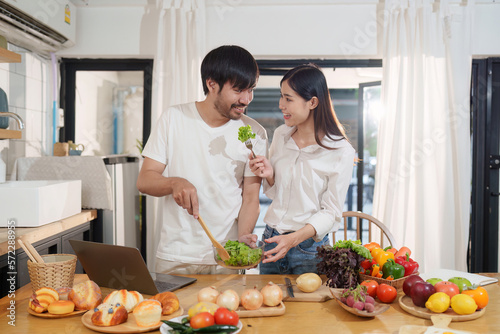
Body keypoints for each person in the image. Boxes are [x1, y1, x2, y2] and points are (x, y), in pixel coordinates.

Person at [137, 45, 267, 275]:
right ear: (211, 84)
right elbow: (145, 180)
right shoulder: (174, 118)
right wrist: (174, 182)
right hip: (176, 256)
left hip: (226, 258)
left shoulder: (254, 133)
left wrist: (243, 238)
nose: (246, 99)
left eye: (251, 90)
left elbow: (250, 198)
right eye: (238, 90)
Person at [249, 64, 355, 275]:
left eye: (288, 99)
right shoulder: (281, 135)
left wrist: (293, 239)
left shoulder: (341, 150)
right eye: (281, 97)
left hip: (309, 249)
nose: (281, 105)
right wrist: (270, 176)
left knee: (308, 308)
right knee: (268, 304)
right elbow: (278, 195)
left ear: (313, 102)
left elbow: (331, 213)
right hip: (272, 238)